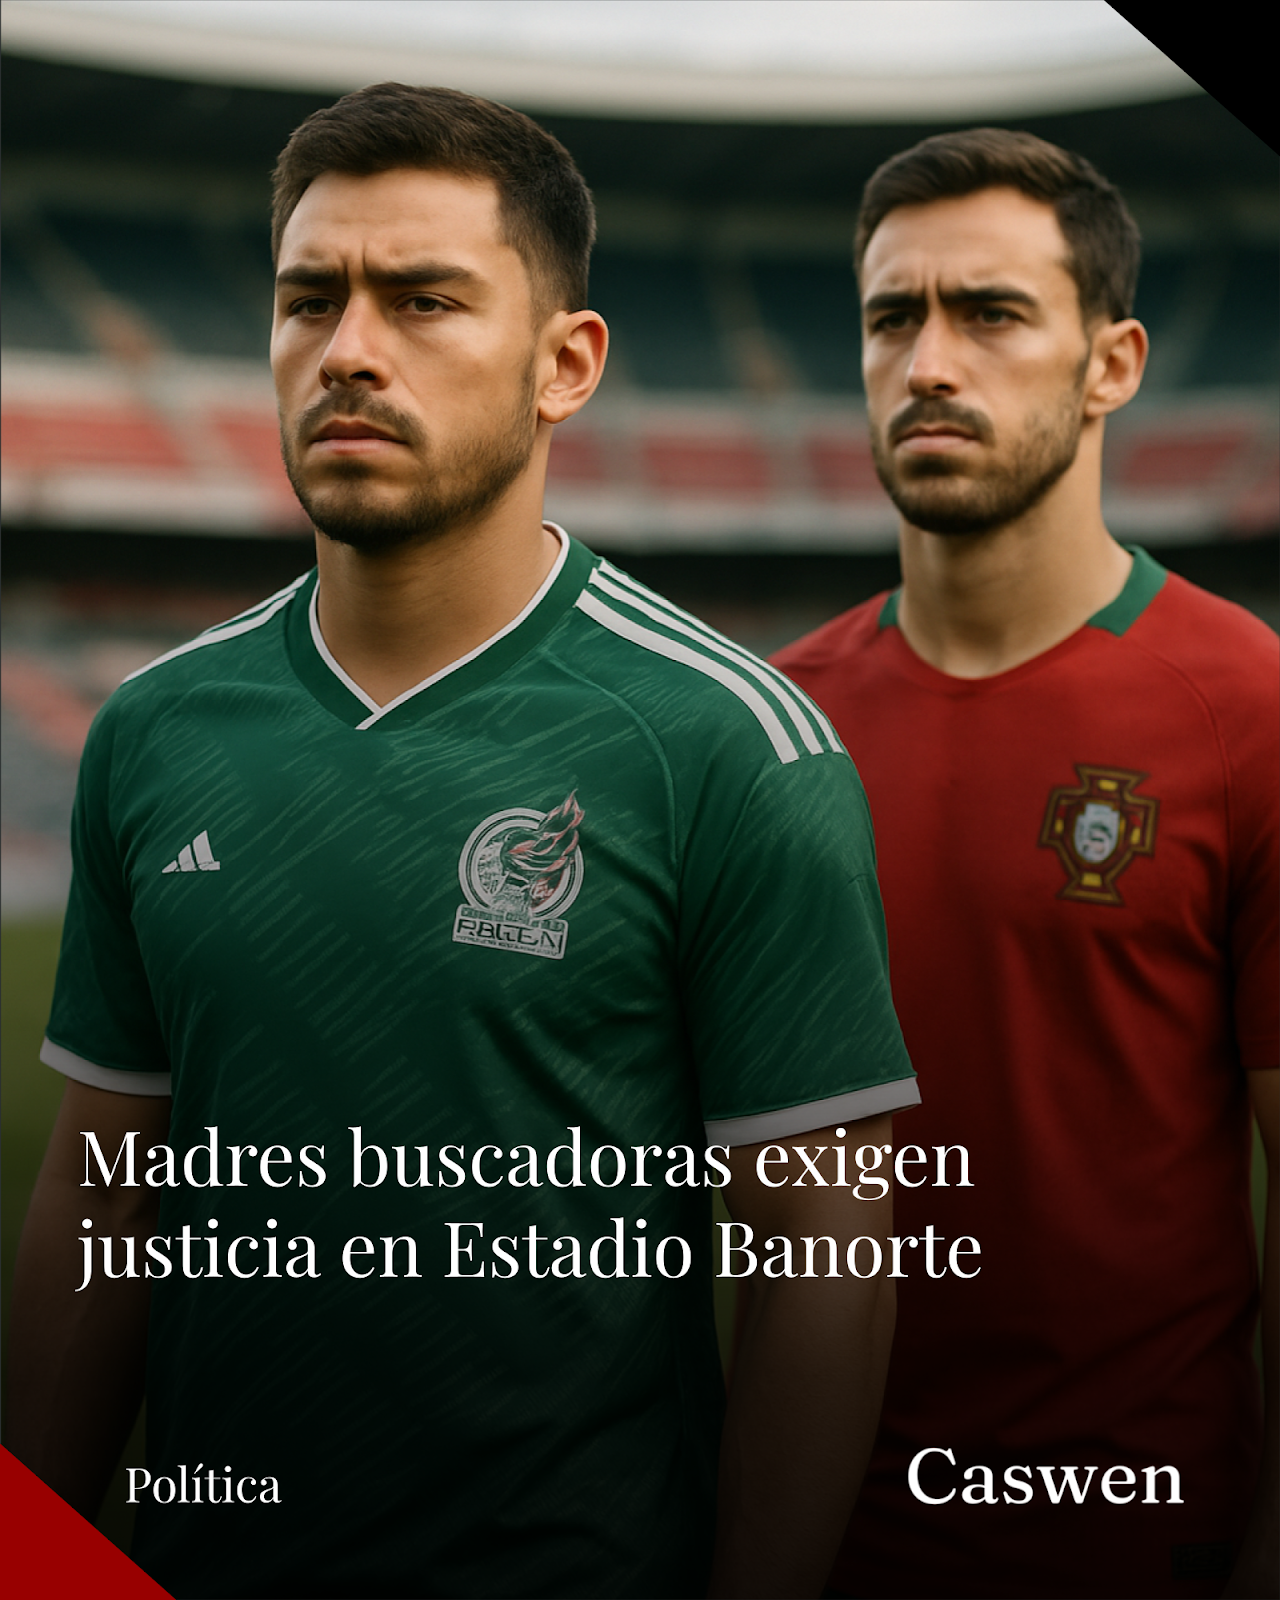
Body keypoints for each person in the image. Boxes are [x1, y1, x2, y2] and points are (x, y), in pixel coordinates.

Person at [6, 84, 919, 1600]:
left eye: (425, 299)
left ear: (566, 365)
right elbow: (102, 1190)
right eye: (312, 298)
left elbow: (825, 1259)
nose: (350, 348)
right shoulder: (154, 729)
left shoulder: (728, 746)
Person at [772, 128, 1278, 1600]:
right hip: (817, 1544)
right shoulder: (770, 734)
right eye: (891, 317)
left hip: (1136, 1543)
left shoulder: (1246, 711)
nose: (929, 361)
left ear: (1109, 363)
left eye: (989, 315)